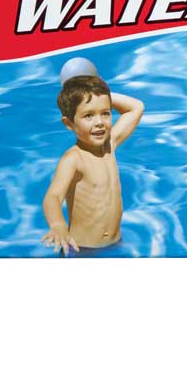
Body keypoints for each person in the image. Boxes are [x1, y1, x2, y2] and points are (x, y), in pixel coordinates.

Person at [41, 75, 144, 255]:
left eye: (105, 113)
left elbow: (136, 107)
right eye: (88, 115)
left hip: (115, 245)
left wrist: (96, 92)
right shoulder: (74, 159)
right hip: (81, 250)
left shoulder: (110, 145)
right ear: (69, 123)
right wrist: (58, 225)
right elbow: (53, 197)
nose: (99, 122)